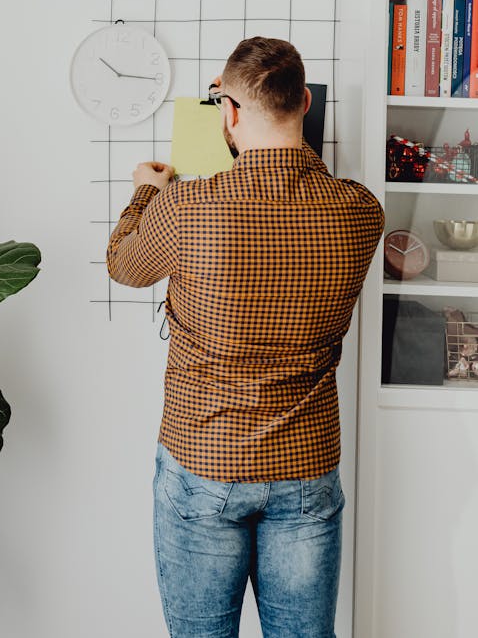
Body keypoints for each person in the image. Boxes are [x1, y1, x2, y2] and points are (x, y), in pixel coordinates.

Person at [106, 36, 384, 638]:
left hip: (205, 457)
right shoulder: (361, 211)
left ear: (227, 112)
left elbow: (125, 266)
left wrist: (145, 192)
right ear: (305, 102)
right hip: (307, 465)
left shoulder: (187, 206)